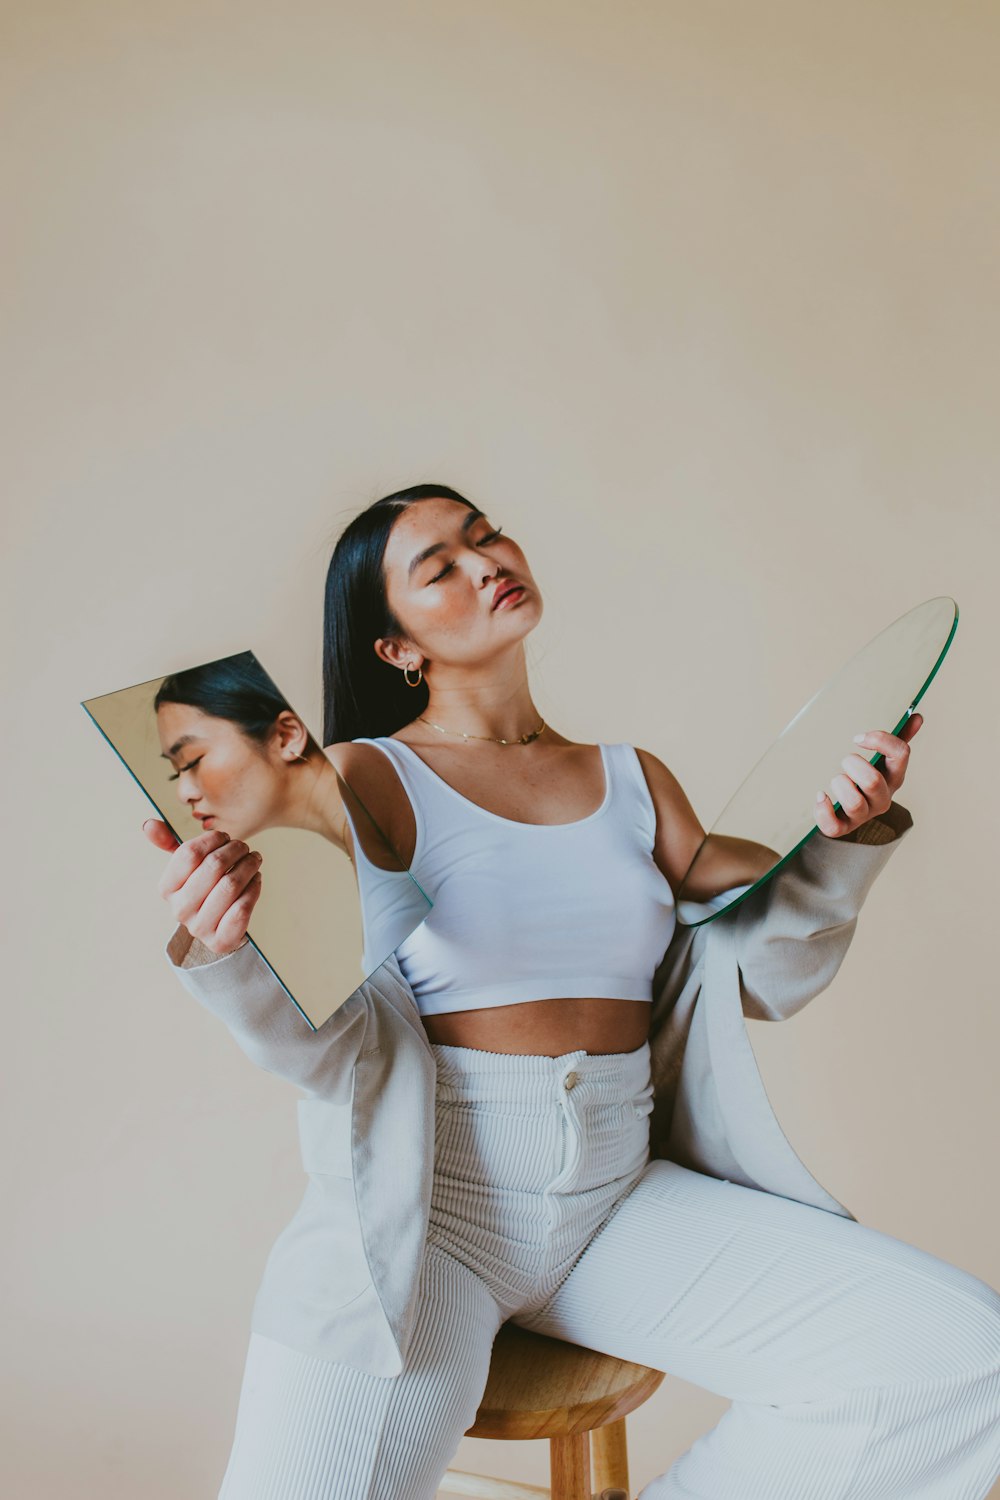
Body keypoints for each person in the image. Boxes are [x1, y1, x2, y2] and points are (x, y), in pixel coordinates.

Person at [145, 485, 1000, 1499]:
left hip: (618, 1196)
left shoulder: (634, 778)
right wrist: (227, 944)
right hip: (436, 1213)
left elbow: (763, 956)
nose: (484, 560)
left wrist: (847, 829)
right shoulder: (365, 778)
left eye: (484, 534)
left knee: (957, 1363)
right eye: (440, 567)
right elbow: (320, 1035)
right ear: (395, 649)